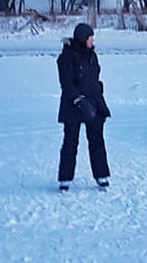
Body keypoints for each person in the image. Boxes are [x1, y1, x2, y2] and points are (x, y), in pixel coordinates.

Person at [56, 23, 112, 191]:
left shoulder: (92, 56)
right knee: (70, 143)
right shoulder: (67, 56)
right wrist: (78, 100)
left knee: (97, 142)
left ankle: (101, 175)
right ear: (82, 39)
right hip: (73, 106)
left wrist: (99, 95)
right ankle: (65, 179)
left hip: (93, 104)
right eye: (90, 38)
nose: (93, 41)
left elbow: (94, 79)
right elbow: (66, 83)